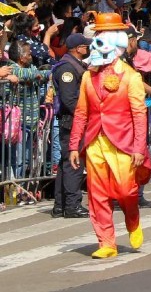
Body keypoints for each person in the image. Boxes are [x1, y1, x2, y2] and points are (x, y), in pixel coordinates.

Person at [68, 13, 148, 259]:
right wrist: (74, 146)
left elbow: (139, 114)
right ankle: (106, 242)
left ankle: (132, 218)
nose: (96, 45)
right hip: (95, 141)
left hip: (123, 142)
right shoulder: (87, 77)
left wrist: (138, 148)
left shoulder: (132, 77)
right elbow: (81, 112)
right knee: (97, 193)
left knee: (125, 191)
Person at [51, 33, 89, 218]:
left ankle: (60, 205)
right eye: (85, 46)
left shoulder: (75, 65)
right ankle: (72, 205)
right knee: (74, 163)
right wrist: (85, 116)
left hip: (74, 119)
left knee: (67, 162)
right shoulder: (67, 68)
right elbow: (69, 99)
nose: (87, 48)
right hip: (72, 120)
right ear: (77, 48)